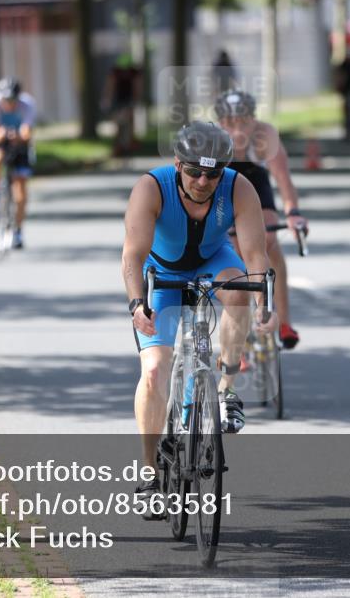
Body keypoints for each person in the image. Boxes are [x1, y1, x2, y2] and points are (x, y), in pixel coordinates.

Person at [121, 121, 278, 507]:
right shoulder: (151, 187)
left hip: (214, 262)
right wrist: (136, 301)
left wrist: (264, 300)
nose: (203, 181)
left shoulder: (239, 187)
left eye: (213, 173)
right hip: (163, 272)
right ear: (178, 163)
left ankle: (226, 391)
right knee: (156, 369)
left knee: (240, 292)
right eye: (194, 172)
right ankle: (149, 473)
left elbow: (256, 253)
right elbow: (133, 254)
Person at [215, 89, 308, 350]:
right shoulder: (214, 139)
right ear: (220, 122)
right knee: (232, 252)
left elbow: (283, 179)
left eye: (243, 121)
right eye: (229, 123)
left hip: (255, 181)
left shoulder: (265, 136)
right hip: (225, 184)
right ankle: (238, 337)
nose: (237, 129)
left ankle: (284, 321)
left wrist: (293, 213)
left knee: (269, 240)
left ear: (254, 119)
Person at [0, 77, 37, 248]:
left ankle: (18, 232)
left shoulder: (28, 105)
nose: (9, 104)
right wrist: (8, 134)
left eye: (12, 100)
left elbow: (27, 133)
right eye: (5, 100)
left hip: (20, 145)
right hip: (0, 143)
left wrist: (17, 135)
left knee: (20, 194)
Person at [102, 54, 143, 157]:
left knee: (126, 123)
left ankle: (125, 145)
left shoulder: (131, 72)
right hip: (119, 101)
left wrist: (135, 100)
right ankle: (121, 146)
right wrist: (107, 99)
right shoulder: (122, 72)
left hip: (125, 100)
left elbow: (136, 86)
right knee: (121, 124)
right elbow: (110, 85)